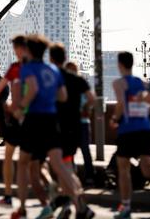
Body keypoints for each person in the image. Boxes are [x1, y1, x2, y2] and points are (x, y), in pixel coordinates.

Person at [11, 35, 94, 219]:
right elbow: (62, 96)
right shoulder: (53, 70)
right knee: (60, 164)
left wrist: (21, 108)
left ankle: (22, 208)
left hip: (34, 119)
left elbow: (31, 88)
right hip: (51, 120)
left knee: (23, 163)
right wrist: (47, 98)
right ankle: (80, 203)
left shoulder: (27, 68)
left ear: (29, 51)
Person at [35, 43, 95, 218]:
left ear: (51, 59)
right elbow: (91, 99)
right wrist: (83, 110)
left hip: (58, 127)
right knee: (66, 167)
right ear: (65, 57)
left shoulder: (51, 77)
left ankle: (78, 203)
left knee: (61, 167)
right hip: (75, 127)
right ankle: (71, 205)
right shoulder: (77, 79)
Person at [0, 35, 47, 208]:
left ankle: (11, 196)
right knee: (35, 162)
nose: (15, 51)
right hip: (40, 119)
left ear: (22, 49)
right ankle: (50, 193)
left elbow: (0, 89)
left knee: (13, 156)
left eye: (16, 47)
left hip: (22, 118)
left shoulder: (19, 68)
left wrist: (13, 105)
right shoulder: (41, 68)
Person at [110, 52, 150, 219]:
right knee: (148, 169)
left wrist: (115, 118)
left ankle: (126, 207)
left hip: (127, 130)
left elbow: (121, 103)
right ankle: (126, 208)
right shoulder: (142, 83)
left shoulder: (118, 83)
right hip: (145, 128)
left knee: (123, 168)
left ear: (119, 64)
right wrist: (140, 111)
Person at [66, 61, 96, 185]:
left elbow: (91, 100)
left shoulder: (80, 83)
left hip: (81, 122)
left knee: (84, 151)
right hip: (73, 122)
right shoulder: (69, 84)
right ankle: (74, 177)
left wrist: (86, 108)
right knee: (71, 152)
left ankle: (89, 177)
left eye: (73, 70)